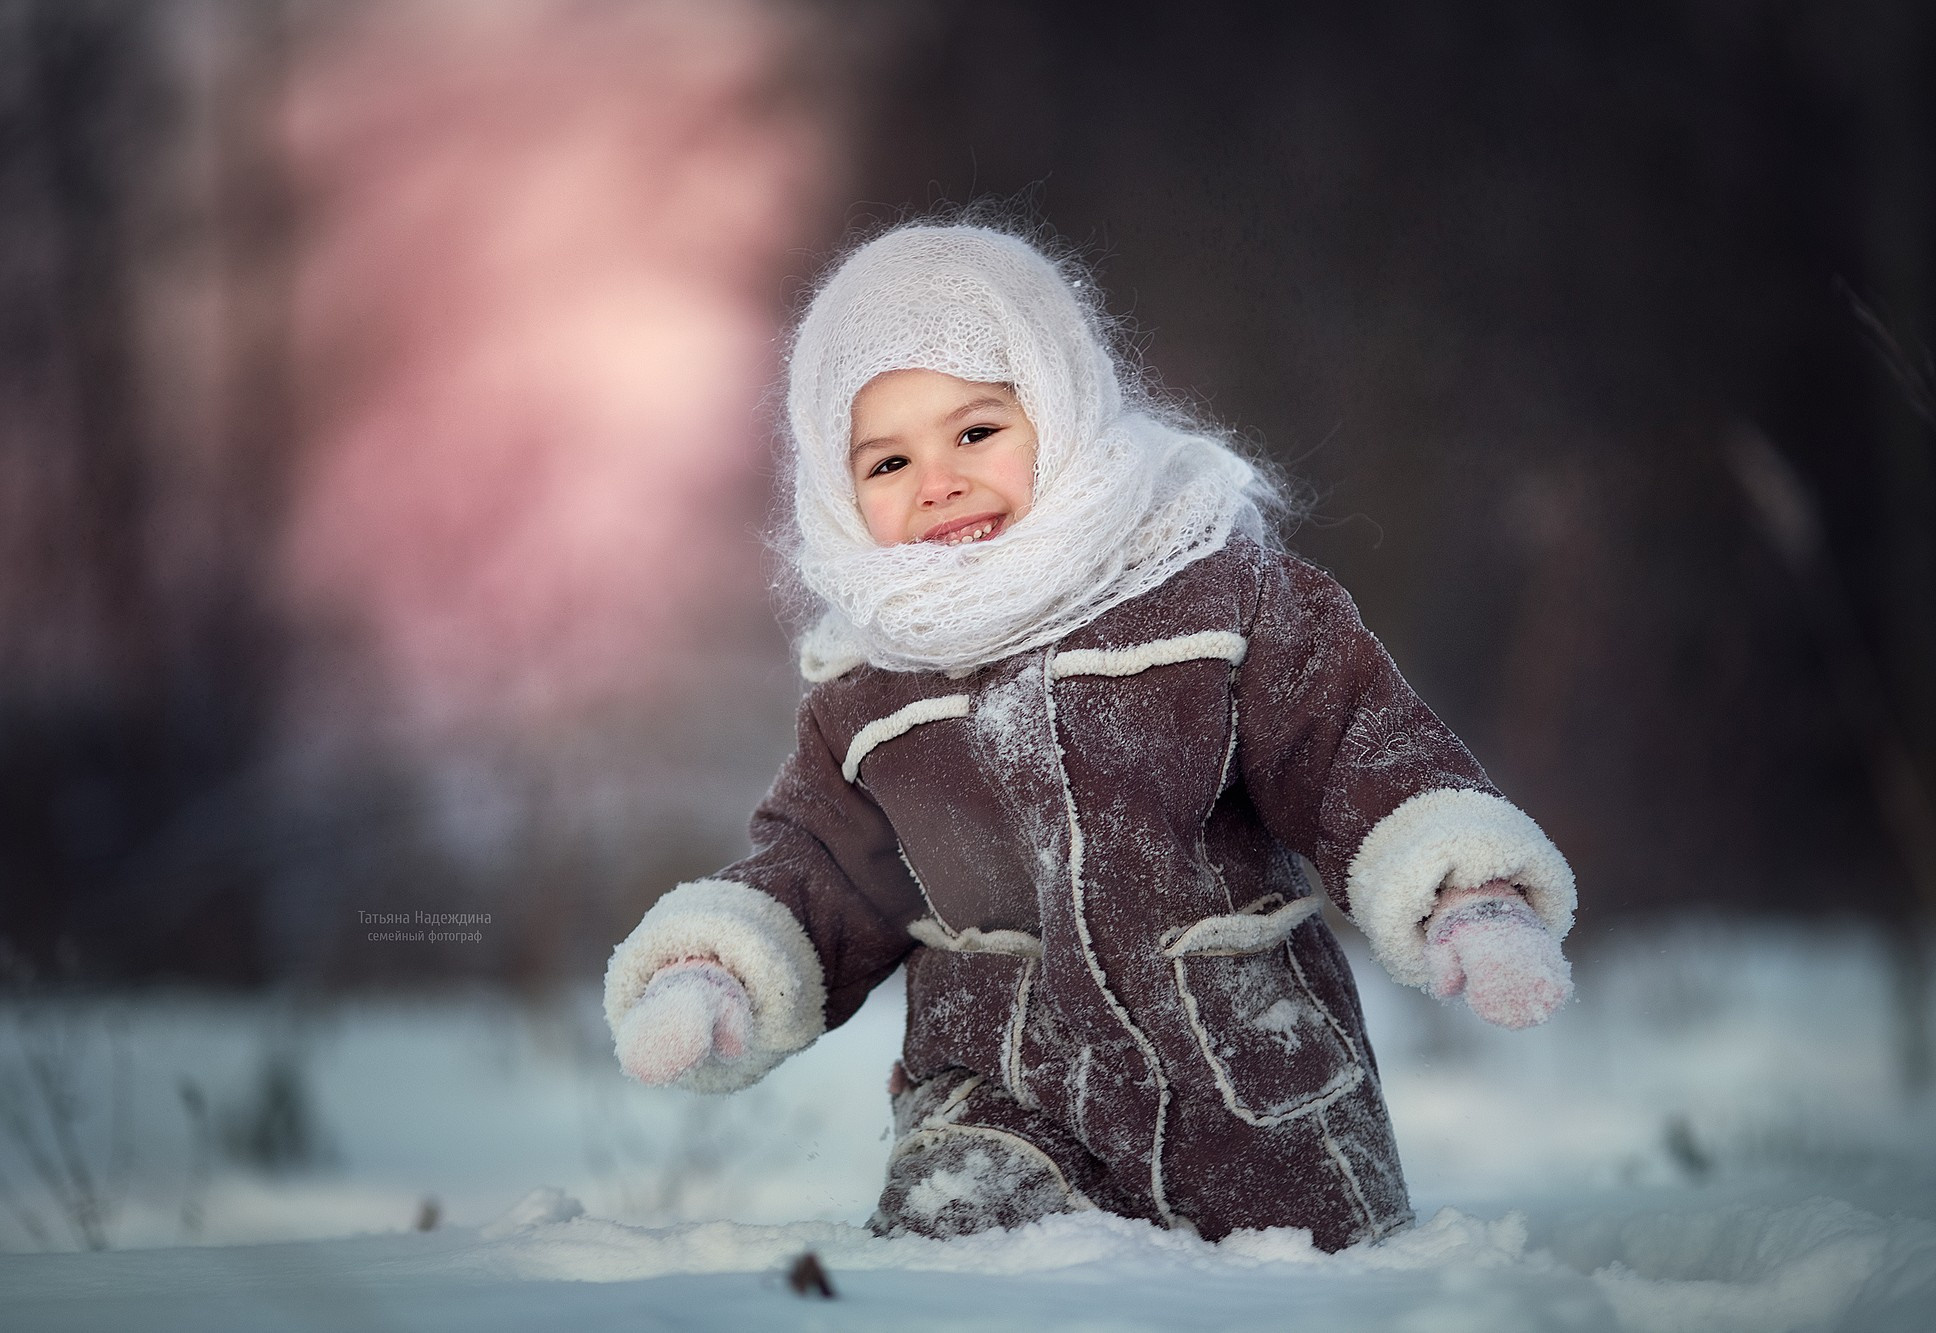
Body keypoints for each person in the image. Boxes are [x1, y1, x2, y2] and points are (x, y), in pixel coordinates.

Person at [601, 223, 1575, 1250]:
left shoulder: (1213, 596)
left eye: (975, 433)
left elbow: (1350, 750)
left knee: (1298, 1295)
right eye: (887, 459)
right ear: (838, 492)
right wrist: (721, 963)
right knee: (960, 1272)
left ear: (1059, 411)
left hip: (1251, 1087)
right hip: (1000, 1103)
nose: (936, 480)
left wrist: (1466, 890)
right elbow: (821, 869)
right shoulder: (868, 694)